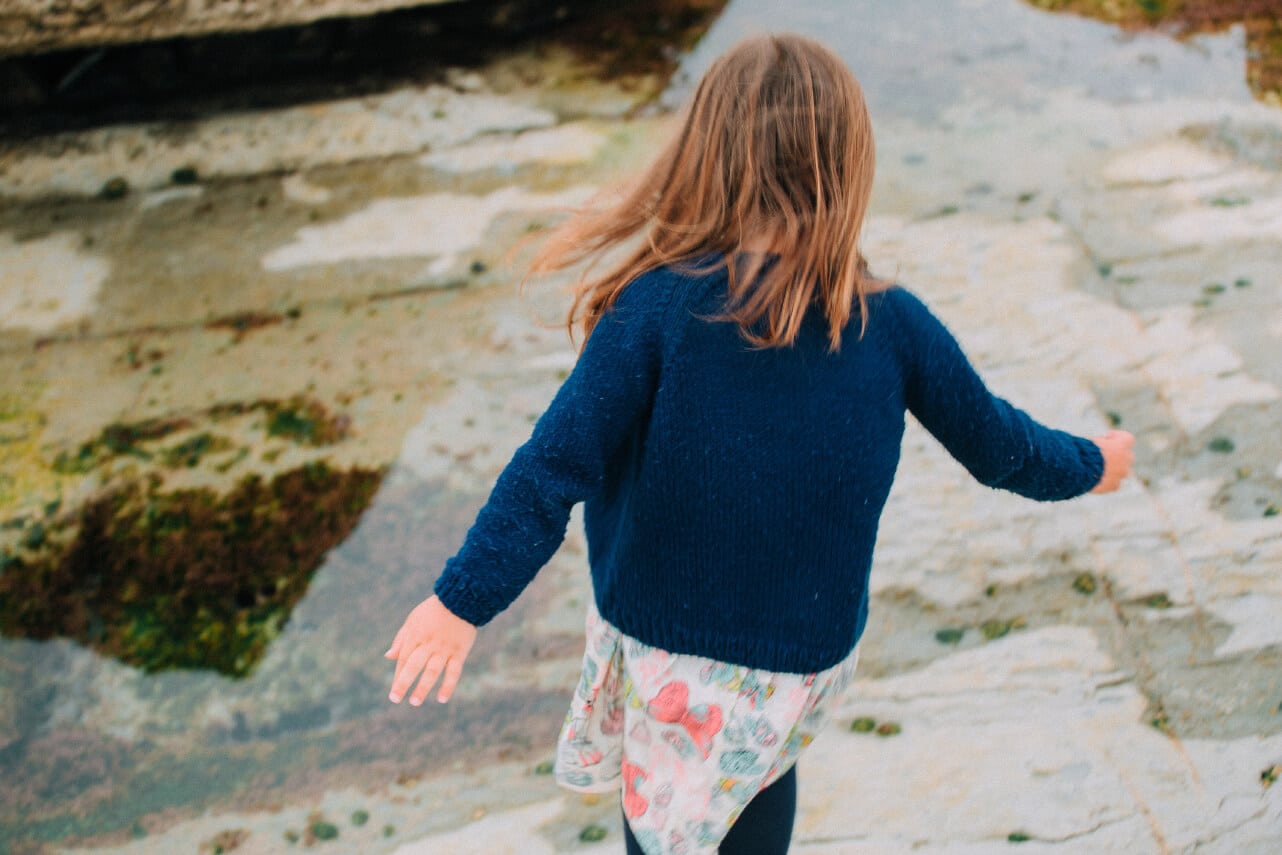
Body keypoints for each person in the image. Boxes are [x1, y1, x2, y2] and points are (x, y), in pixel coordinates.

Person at [384, 33, 1135, 855]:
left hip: (672, 655)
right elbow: (1002, 448)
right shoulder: (892, 323)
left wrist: (461, 601)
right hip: (799, 661)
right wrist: (1093, 464)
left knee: (669, 834)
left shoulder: (658, 309)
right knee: (761, 777)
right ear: (846, 167)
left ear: (706, 154)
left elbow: (551, 468)